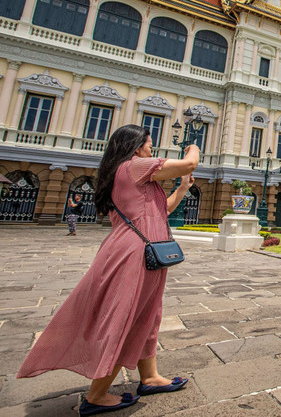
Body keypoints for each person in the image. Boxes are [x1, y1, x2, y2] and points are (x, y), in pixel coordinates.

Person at [17, 124, 199, 415]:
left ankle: (149, 377)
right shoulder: (133, 166)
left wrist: (182, 188)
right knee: (125, 317)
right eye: (150, 144)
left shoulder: (130, 174)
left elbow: (162, 210)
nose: (152, 149)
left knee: (149, 315)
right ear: (137, 147)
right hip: (135, 254)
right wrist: (194, 143)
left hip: (146, 252)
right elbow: (189, 162)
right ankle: (97, 395)